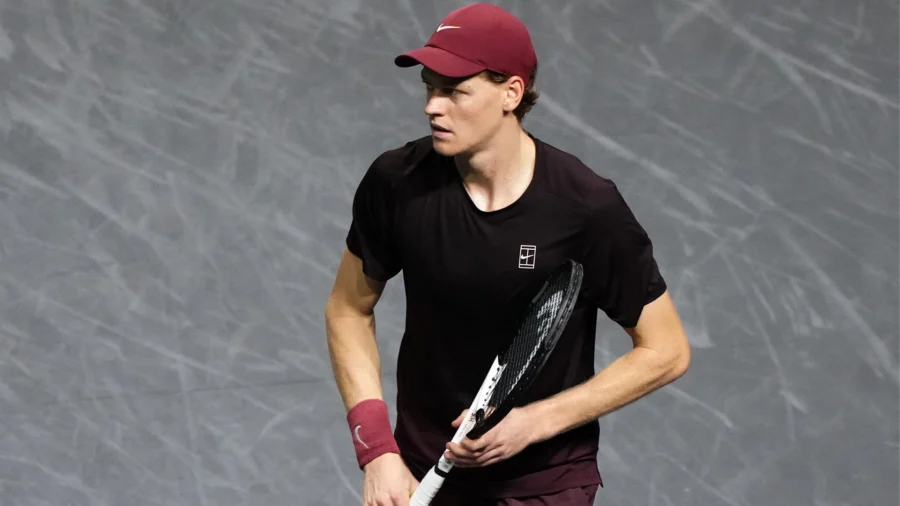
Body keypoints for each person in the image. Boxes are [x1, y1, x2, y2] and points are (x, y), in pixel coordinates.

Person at [324, 4, 692, 505]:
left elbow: (665, 349)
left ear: (511, 93)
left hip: (541, 484)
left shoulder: (584, 208)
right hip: (419, 468)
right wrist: (378, 452)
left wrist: (535, 421)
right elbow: (348, 308)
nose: (433, 106)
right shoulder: (396, 184)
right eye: (430, 88)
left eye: (454, 91)